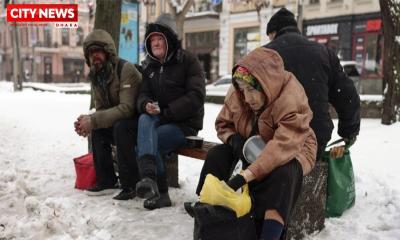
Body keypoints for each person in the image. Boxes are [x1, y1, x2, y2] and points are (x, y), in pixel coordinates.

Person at [196, 48, 317, 240]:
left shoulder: (291, 96)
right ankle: (206, 212)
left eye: (252, 89)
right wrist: (233, 140)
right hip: (249, 144)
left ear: (266, 84)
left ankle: (269, 233)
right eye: (242, 90)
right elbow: (222, 123)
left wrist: (245, 176)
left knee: (283, 173)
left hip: (294, 146)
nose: (247, 97)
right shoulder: (238, 91)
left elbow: (280, 148)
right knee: (217, 155)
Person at [264, 8, 360, 160]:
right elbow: (348, 96)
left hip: (274, 139)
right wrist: (348, 133)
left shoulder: (264, 55)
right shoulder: (323, 53)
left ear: (273, 32)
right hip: (315, 136)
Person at [135, 13, 205, 210]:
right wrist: (146, 104)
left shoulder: (188, 61)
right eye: (152, 40)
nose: (155, 43)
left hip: (184, 125)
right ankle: (149, 178)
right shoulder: (149, 66)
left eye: (160, 39)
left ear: (170, 40)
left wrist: (166, 112)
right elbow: (142, 95)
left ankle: (162, 193)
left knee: (148, 143)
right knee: (144, 119)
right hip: (160, 118)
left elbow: (196, 97)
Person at [74, 29, 142, 200]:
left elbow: (127, 109)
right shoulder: (97, 76)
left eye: (98, 52)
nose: (95, 56)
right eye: (91, 54)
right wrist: (87, 122)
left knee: (120, 127)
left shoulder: (125, 70)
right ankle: (107, 181)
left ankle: (131, 184)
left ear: (108, 52)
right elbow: (101, 109)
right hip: (120, 123)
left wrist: (94, 120)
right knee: (98, 131)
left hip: (139, 123)